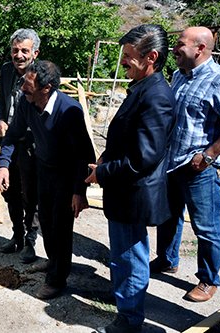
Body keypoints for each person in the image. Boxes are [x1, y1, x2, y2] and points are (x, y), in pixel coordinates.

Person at [85, 24, 175, 333]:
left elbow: (143, 157)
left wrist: (103, 172)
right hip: (125, 191)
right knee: (124, 254)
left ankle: (129, 319)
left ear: (151, 57)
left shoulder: (157, 96)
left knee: (130, 257)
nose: (123, 62)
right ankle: (126, 306)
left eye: (128, 56)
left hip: (132, 193)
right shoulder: (143, 89)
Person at [0, 60, 95, 300]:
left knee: (61, 227)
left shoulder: (69, 110)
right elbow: (12, 136)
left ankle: (57, 279)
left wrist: (79, 191)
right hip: (44, 170)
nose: (22, 89)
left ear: (47, 88)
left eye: (28, 86)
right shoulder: (27, 104)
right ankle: (53, 262)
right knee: (46, 223)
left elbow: (85, 155)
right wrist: (3, 165)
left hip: (65, 174)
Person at [151, 26, 220, 302]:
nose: (174, 49)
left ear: (200, 48)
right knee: (168, 216)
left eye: (180, 44)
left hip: (198, 168)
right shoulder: (179, 75)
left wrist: (208, 156)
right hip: (172, 163)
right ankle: (166, 259)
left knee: (206, 227)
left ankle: (209, 279)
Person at [0, 28, 40, 264]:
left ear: (35, 53)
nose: (19, 55)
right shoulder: (5, 70)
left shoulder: (40, 76)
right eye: (15, 50)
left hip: (31, 145)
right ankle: (17, 236)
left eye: (24, 50)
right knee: (9, 190)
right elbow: (1, 101)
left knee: (30, 194)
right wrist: (0, 120)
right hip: (9, 141)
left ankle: (31, 242)